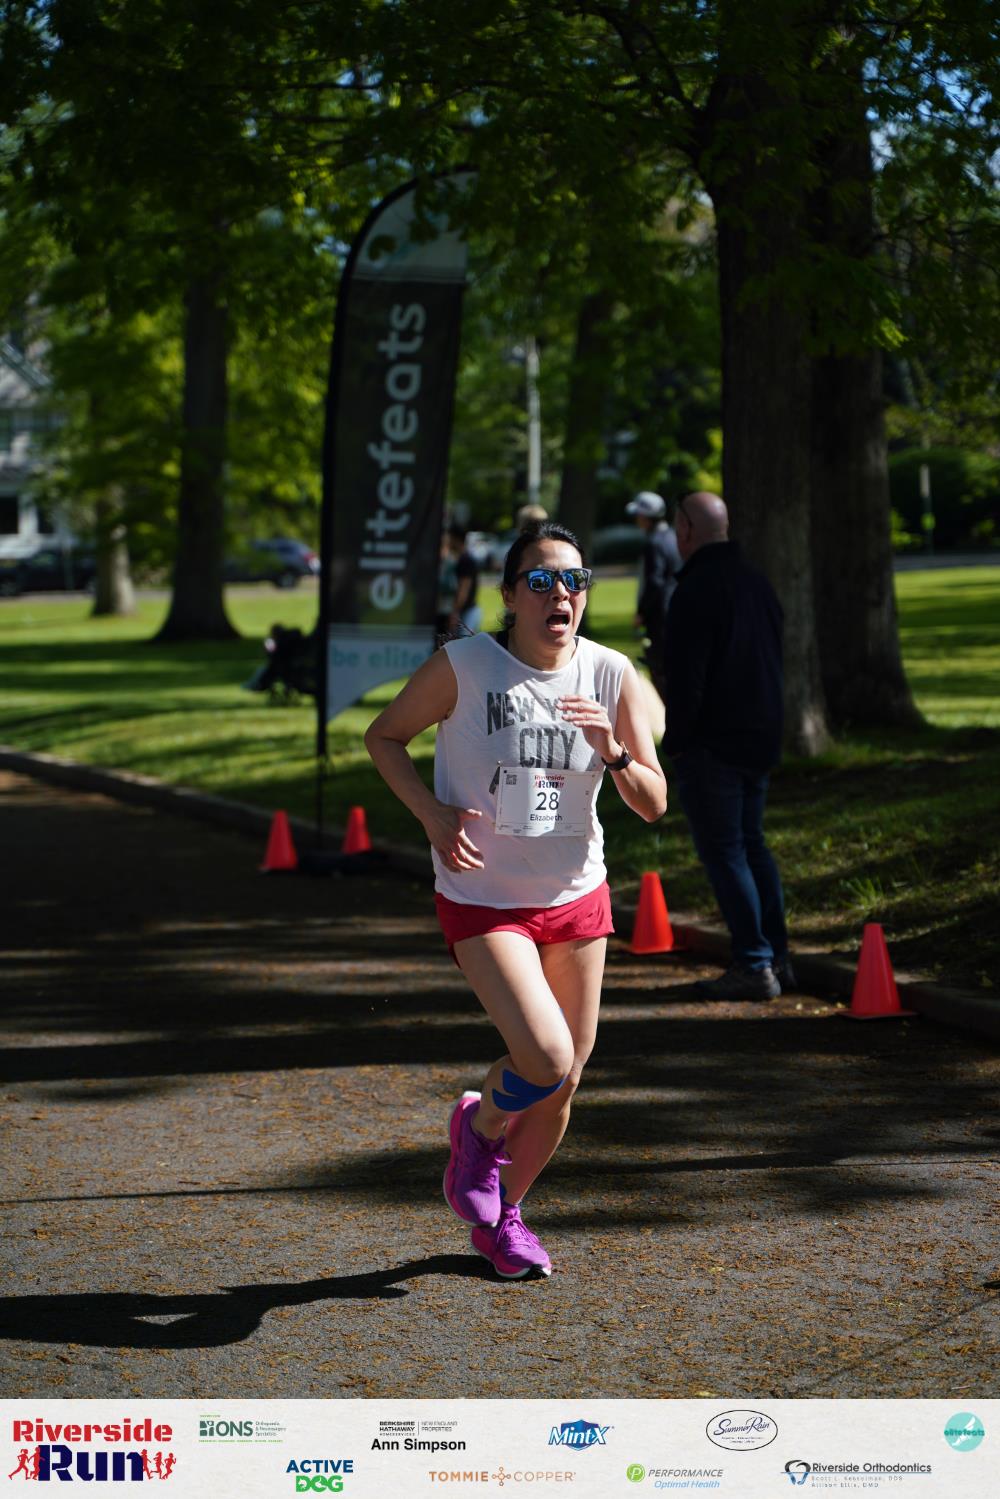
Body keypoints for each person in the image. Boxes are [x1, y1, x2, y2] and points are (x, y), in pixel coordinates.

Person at [365, 522, 666, 1279]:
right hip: (484, 896)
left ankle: (505, 1217)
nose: (560, 592)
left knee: (566, 1079)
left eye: (574, 580)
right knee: (546, 1055)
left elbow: (653, 802)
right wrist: (432, 816)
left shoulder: (610, 673)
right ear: (509, 596)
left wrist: (614, 751)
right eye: (540, 580)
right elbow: (385, 736)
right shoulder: (465, 665)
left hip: (576, 894)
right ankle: (481, 1125)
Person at [660, 491, 795, 1001]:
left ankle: (754, 962)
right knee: (752, 845)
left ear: (687, 530)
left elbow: (687, 679)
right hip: (760, 735)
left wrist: (677, 741)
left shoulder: (695, 590)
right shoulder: (757, 582)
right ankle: (777, 957)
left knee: (728, 852)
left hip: (713, 742)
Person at [625, 490, 681, 704]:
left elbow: (654, 582)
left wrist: (641, 612)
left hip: (660, 616)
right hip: (677, 611)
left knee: (660, 670)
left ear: (645, 517)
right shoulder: (673, 538)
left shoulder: (654, 543)